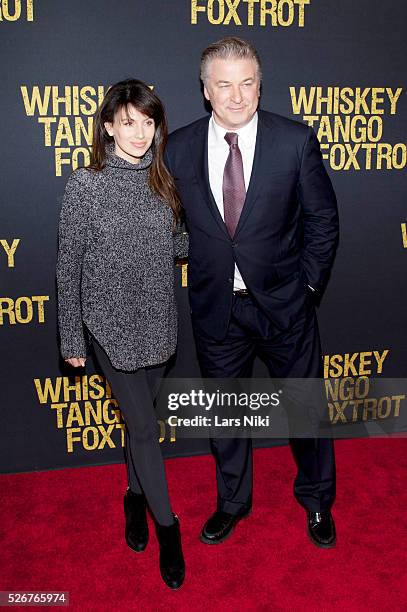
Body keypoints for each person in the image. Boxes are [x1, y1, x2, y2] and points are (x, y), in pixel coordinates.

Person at [165, 38, 339, 549]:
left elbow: (322, 220)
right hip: (217, 309)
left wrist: (307, 286)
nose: (237, 96)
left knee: (306, 409)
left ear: (260, 84)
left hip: (286, 305)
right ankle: (232, 503)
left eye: (247, 83)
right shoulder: (178, 148)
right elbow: (163, 224)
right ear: (205, 89)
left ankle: (317, 501)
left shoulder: (295, 140)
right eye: (224, 84)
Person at [56, 79, 187, 589]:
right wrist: (71, 340)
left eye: (147, 123)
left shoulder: (163, 181)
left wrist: (220, 243)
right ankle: (168, 530)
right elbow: (69, 268)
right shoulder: (85, 184)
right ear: (108, 127)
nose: (138, 133)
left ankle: (133, 498)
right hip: (109, 328)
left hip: (158, 322)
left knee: (140, 429)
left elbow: (177, 245)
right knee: (147, 431)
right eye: (128, 122)